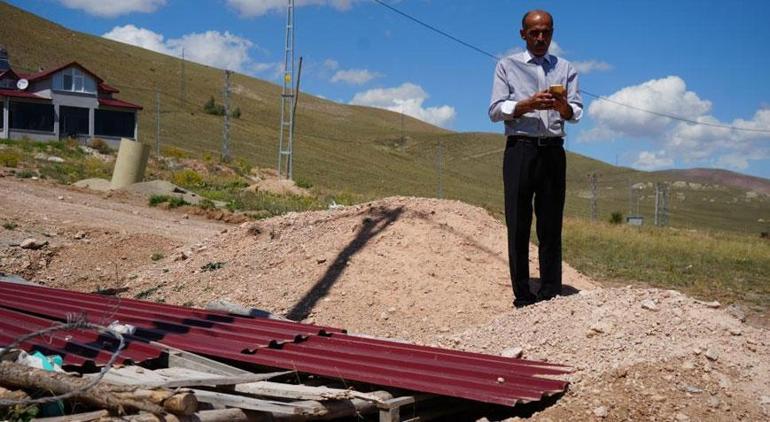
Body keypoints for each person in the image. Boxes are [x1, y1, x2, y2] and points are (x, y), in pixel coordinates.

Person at [488, 10, 583, 308]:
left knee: (551, 223)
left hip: (553, 150)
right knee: (518, 222)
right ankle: (523, 294)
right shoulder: (507, 66)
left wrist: (563, 107)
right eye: (534, 33)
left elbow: (577, 113)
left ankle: (551, 292)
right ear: (523, 34)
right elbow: (494, 111)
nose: (540, 38)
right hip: (520, 150)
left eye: (546, 32)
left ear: (552, 32)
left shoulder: (566, 68)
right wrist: (526, 104)